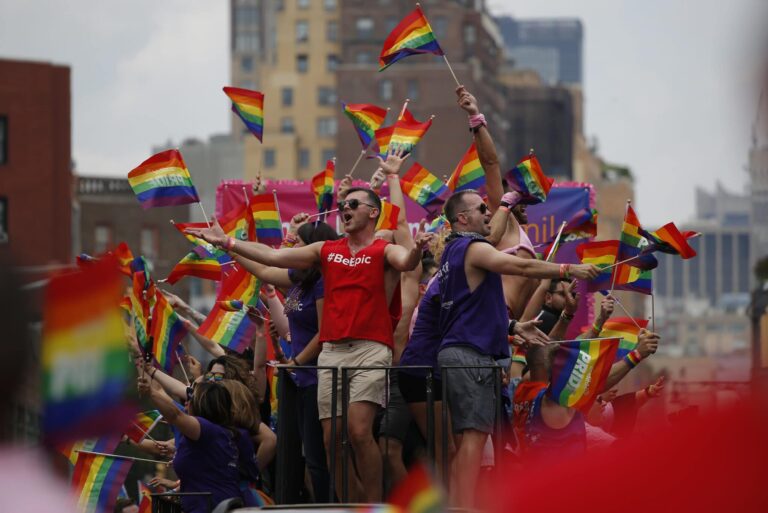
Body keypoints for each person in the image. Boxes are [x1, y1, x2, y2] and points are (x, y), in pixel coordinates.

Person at [186, 151, 432, 503]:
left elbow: (406, 261)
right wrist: (227, 242)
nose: (345, 208)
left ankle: (376, 507)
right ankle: (354, 504)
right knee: (332, 443)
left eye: (353, 204)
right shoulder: (325, 249)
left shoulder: (383, 249)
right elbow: (272, 258)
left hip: (370, 348)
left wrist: (415, 251)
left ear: (372, 213)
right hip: (331, 352)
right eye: (343, 204)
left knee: (359, 431)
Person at [437, 189, 599, 508]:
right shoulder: (470, 247)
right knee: (472, 440)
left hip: (461, 353)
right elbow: (521, 268)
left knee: (466, 443)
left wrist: (512, 327)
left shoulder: (451, 252)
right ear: (462, 218)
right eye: (483, 208)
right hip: (470, 356)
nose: (490, 212)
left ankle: (460, 505)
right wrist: (570, 270)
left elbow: (471, 310)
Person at [234, 217, 338, 503]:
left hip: (316, 376)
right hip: (296, 378)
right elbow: (266, 270)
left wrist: (297, 361)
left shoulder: (322, 282)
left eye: (301, 244)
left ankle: (328, 509)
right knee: (294, 456)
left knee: (316, 458)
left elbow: (325, 330)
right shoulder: (299, 278)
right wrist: (231, 249)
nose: (295, 248)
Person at [137, 375, 260, 513]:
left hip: (213, 508)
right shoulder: (217, 431)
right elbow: (162, 395)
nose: (186, 402)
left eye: (191, 398)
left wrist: (150, 392)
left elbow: (175, 415)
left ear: (203, 405)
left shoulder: (206, 430)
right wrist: (144, 366)